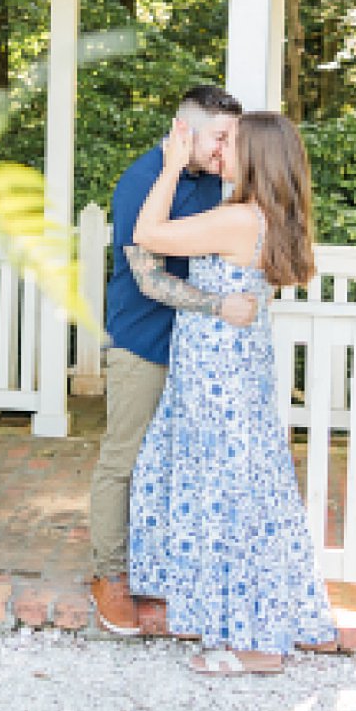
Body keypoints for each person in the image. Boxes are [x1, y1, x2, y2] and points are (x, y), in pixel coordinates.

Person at [127, 110, 337, 675]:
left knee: (231, 500)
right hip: (229, 371)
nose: (221, 151)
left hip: (219, 375)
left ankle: (257, 644)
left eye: (232, 143)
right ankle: (263, 624)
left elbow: (146, 234)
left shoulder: (241, 219)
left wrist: (170, 168)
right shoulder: (259, 214)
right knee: (248, 496)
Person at [87, 85, 256, 638]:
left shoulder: (219, 183)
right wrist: (217, 305)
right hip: (144, 340)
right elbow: (149, 277)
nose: (227, 148)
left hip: (201, 349)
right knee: (125, 458)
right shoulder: (140, 182)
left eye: (232, 137)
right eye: (220, 137)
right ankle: (108, 574)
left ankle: (165, 566)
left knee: (181, 461)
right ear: (184, 132)